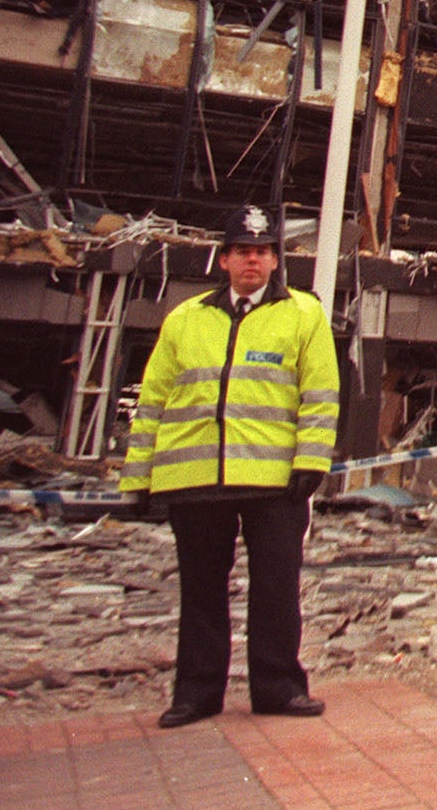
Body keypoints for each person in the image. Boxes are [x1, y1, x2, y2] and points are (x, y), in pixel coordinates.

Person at [121, 205, 341, 728]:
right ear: (224, 260)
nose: (253, 262)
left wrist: (310, 463)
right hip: (194, 481)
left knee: (276, 587)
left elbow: (319, 394)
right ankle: (196, 694)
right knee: (200, 591)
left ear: (274, 262)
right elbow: (152, 401)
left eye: (263, 253)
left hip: (273, 483)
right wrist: (139, 479)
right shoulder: (186, 318)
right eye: (243, 252)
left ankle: (279, 689)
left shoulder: (303, 314)